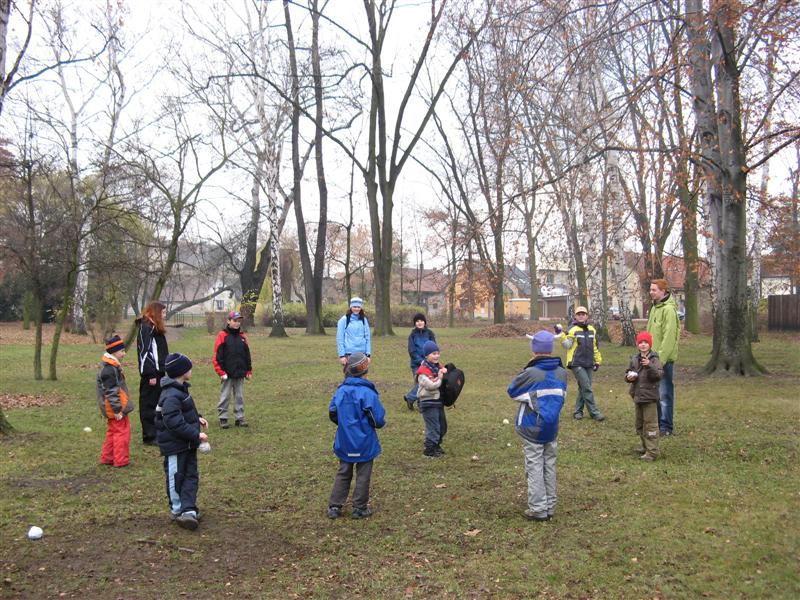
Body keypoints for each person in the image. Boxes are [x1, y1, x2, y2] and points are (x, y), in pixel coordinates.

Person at [507, 330, 567, 521]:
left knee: (534, 466)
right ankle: (549, 505)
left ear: (534, 350)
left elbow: (512, 390)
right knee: (549, 464)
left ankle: (538, 508)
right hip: (552, 428)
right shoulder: (561, 372)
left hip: (532, 427)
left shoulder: (531, 372)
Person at [326, 352, 386, 520]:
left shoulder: (341, 391)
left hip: (345, 441)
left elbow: (332, 412)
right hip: (364, 442)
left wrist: (345, 424)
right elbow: (378, 419)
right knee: (363, 474)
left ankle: (335, 506)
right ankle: (359, 507)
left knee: (343, 472)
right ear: (365, 370)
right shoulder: (368, 393)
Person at [155, 353, 209, 531]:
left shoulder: (180, 390)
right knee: (176, 477)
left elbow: (185, 412)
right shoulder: (170, 395)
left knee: (191, 476)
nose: (191, 370)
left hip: (187, 445)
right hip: (175, 447)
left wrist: (198, 418)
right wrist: (196, 435)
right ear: (182, 372)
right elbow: (174, 422)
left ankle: (189, 509)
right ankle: (178, 510)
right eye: (189, 367)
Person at [647, 279, 680, 436]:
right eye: (651, 289)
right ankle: (659, 423)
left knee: (665, 394)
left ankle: (666, 427)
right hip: (651, 358)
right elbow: (649, 333)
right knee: (655, 394)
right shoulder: (654, 308)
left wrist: (660, 359)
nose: (651, 292)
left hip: (663, 361)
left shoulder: (669, 310)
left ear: (663, 291)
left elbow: (669, 337)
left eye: (654, 290)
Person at [559, 306, 604, 421]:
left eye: (583, 314)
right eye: (579, 314)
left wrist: (598, 360)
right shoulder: (572, 329)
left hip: (589, 362)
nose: (581, 316)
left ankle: (578, 412)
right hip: (576, 363)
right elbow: (567, 345)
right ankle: (594, 412)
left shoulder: (592, 330)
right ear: (575, 316)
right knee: (587, 387)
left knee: (583, 387)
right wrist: (562, 335)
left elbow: (594, 347)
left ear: (587, 316)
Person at [96, 335, 135, 468]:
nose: (124, 353)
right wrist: (117, 410)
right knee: (121, 432)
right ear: (114, 352)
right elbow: (111, 391)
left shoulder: (111, 366)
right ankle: (120, 460)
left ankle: (107, 457)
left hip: (112, 406)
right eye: (122, 351)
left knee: (112, 431)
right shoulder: (109, 369)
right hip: (115, 408)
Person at [625, 331, 663, 461]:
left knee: (651, 425)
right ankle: (645, 446)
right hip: (638, 396)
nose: (643, 345)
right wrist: (629, 377)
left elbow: (658, 375)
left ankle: (652, 452)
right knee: (639, 424)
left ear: (650, 344)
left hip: (650, 397)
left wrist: (650, 366)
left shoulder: (654, 359)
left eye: (645, 342)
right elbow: (628, 373)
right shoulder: (635, 359)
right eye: (640, 342)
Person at [212, 310, 253, 429]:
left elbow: (247, 355)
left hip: (240, 372)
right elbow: (217, 356)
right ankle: (223, 418)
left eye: (239, 321)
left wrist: (248, 370)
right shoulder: (222, 336)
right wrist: (221, 372)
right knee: (225, 396)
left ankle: (239, 418)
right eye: (234, 321)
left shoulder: (243, 337)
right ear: (228, 321)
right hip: (227, 373)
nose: (237, 323)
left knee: (239, 396)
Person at [136, 301, 169, 445]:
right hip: (152, 374)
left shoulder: (155, 328)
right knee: (149, 404)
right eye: (163, 312)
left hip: (160, 372)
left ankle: (158, 431)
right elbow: (145, 352)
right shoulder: (146, 328)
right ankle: (149, 436)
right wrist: (150, 374)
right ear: (156, 312)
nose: (165, 314)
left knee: (159, 403)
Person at [416, 340, 449, 458]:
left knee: (442, 425)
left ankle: (436, 445)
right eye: (433, 354)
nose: (436, 356)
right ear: (426, 355)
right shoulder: (423, 372)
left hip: (437, 401)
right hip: (428, 403)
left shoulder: (437, 367)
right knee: (433, 426)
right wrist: (440, 377)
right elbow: (431, 386)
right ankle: (429, 449)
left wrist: (447, 373)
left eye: (437, 353)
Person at [404, 312, 436, 410]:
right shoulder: (412, 335)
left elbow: (434, 347)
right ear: (415, 323)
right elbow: (412, 351)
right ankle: (415, 400)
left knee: (424, 383)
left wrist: (430, 360)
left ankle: (413, 399)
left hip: (429, 363)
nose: (419, 323)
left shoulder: (430, 333)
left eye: (421, 321)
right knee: (420, 383)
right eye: (417, 321)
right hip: (416, 364)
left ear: (425, 322)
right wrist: (420, 361)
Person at [336, 297, 372, 369]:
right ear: (351, 307)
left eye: (358, 307)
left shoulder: (364, 320)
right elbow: (340, 339)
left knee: (362, 376)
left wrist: (368, 355)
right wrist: (342, 356)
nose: (356, 309)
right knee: (350, 376)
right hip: (349, 354)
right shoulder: (344, 320)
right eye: (354, 306)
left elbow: (368, 338)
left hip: (362, 354)